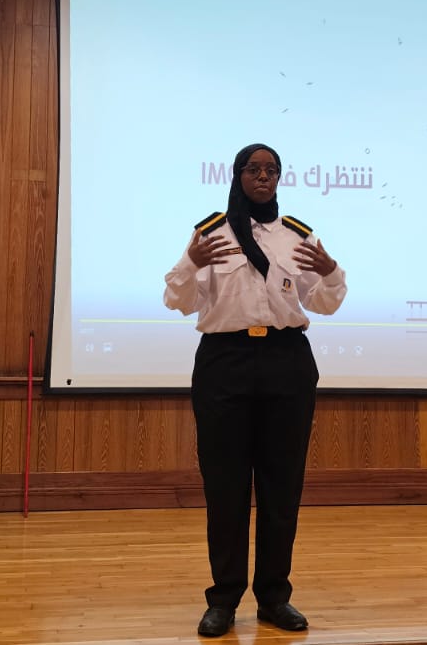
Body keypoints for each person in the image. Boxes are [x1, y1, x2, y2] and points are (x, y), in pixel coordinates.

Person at [163, 143, 346, 637]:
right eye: (253, 169)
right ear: (237, 175)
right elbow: (178, 300)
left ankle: (274, 597)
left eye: (271, 170)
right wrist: (189, 261)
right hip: (225, 363)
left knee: (281, 487)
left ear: (279, 178)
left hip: (287, 362)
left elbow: (325, 303)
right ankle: (223, 600)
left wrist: (330, 270)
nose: (263, 177)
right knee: (225, 487)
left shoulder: (297, 237)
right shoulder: (210, 235)